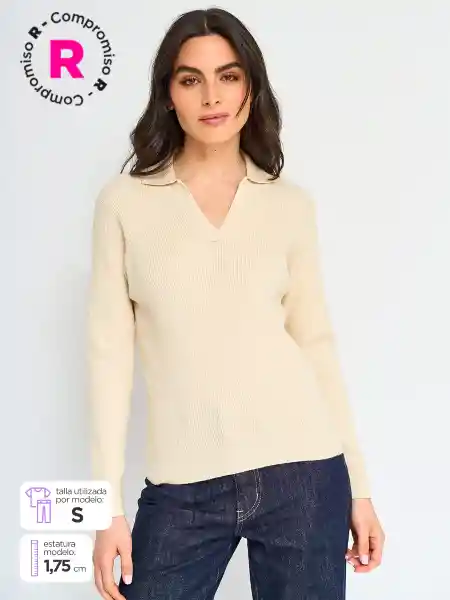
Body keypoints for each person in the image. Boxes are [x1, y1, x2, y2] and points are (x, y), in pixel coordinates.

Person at [88, 7, 385, 600]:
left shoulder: (288, 205)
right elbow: (107, 358)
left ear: (252, 87)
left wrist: (359, 487)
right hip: (182, 489)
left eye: (228, 76)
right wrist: (105, 508)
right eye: (190, 79)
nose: (212, 96)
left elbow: (316, 346)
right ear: (167, 94)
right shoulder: (125, 203)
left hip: (305, 474)